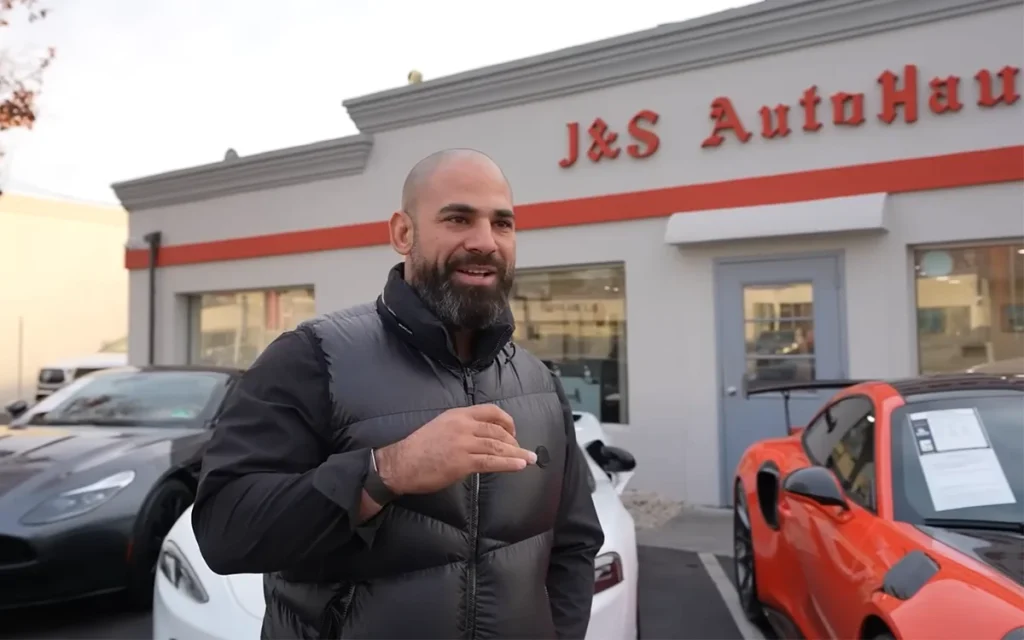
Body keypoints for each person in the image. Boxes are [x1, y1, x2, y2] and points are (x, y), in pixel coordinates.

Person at [192, 148, 605, 639]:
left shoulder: (539, 383)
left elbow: (574, 545)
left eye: (503, 224)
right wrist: (386, 470)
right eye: (458, 219)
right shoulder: (312, 358)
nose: (485, 241)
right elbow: (226, 530)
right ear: (403, 233)